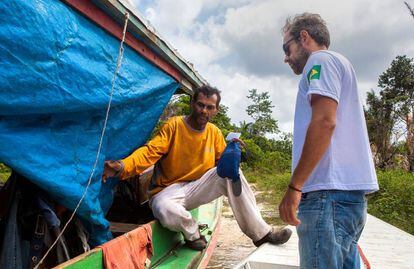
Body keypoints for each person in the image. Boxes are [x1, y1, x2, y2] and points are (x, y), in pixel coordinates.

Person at [103, 85, 292, 251]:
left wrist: (236, 154)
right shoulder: (174, 125)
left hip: (196, 187)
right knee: (163, 209)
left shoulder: (214, 132)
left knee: (232, 173)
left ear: (216, 110)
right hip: (167, 191)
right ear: (192, 104)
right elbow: (149, 152)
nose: (204, 111)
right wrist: (122, 166)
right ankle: (192, 234)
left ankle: (262, 234)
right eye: (200, 105)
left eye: (210, 107)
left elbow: (222, 165)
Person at [278, 13, 379, 268]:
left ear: (304, 37)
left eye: (286, 47)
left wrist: (295, 187)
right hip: (349, 200)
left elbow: (324, 122)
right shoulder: (342, 64)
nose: (286, 57)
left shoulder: (319, 61)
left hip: (326, 197)